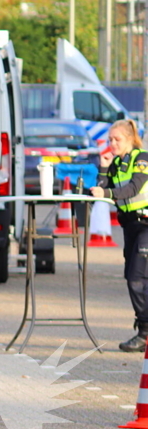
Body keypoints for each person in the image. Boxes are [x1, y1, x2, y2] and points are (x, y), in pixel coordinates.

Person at [90, 119, 148, 352]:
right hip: (130, 226)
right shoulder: (116, 163)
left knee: (136, 278)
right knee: (133, 277)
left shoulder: (142, 159)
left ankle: (144, 333)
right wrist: (104, 168)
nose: (112, 144)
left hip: (146, 224)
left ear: (130, 139)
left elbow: (133, 188)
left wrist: (105, 190)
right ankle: (144, 330)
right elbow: (102, 192)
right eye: (110, 140)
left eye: (117, 139)